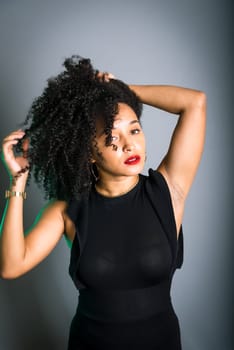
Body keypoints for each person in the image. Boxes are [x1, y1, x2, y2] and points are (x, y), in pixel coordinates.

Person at [0, 56, 206, 349]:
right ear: (89, 153)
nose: (128, 144)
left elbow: (194, 103)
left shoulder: (168, 191)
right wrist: (17, 181)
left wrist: (119, 89)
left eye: (134, 129)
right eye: (111, 136)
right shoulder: (67, 211)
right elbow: (11, 266)